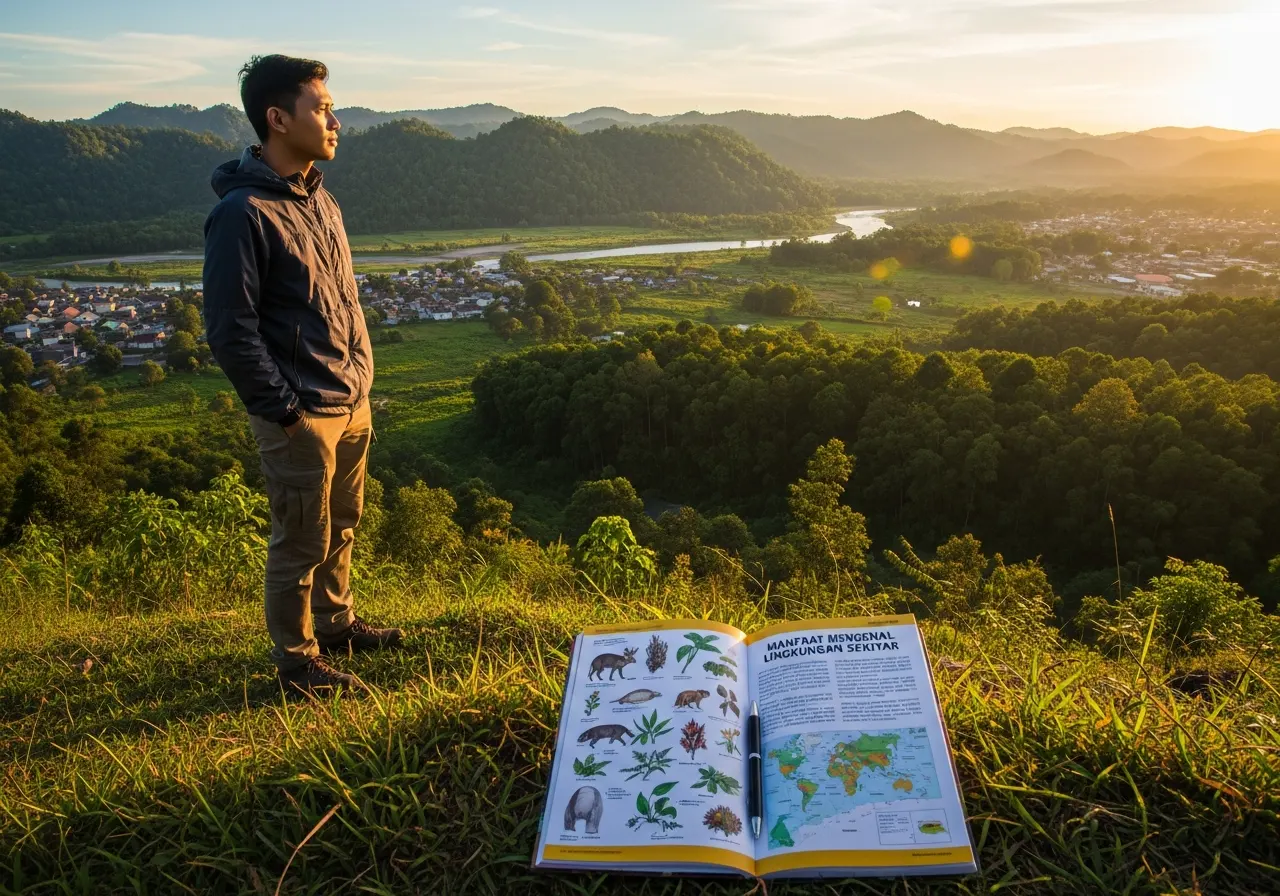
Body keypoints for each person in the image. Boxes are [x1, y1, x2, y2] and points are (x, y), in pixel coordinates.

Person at [203, 54, 402, 697]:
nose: (334, 119)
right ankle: (296, 664)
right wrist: (284, 410)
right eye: (320, 108)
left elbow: (342, 297)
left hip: (349, 395)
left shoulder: (321, 198)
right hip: (300, 411)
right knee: (300, 540)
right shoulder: (244, 213)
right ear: (277, 118)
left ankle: (337, 624)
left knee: (342, 523)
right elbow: (230, 329)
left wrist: (363, 374)